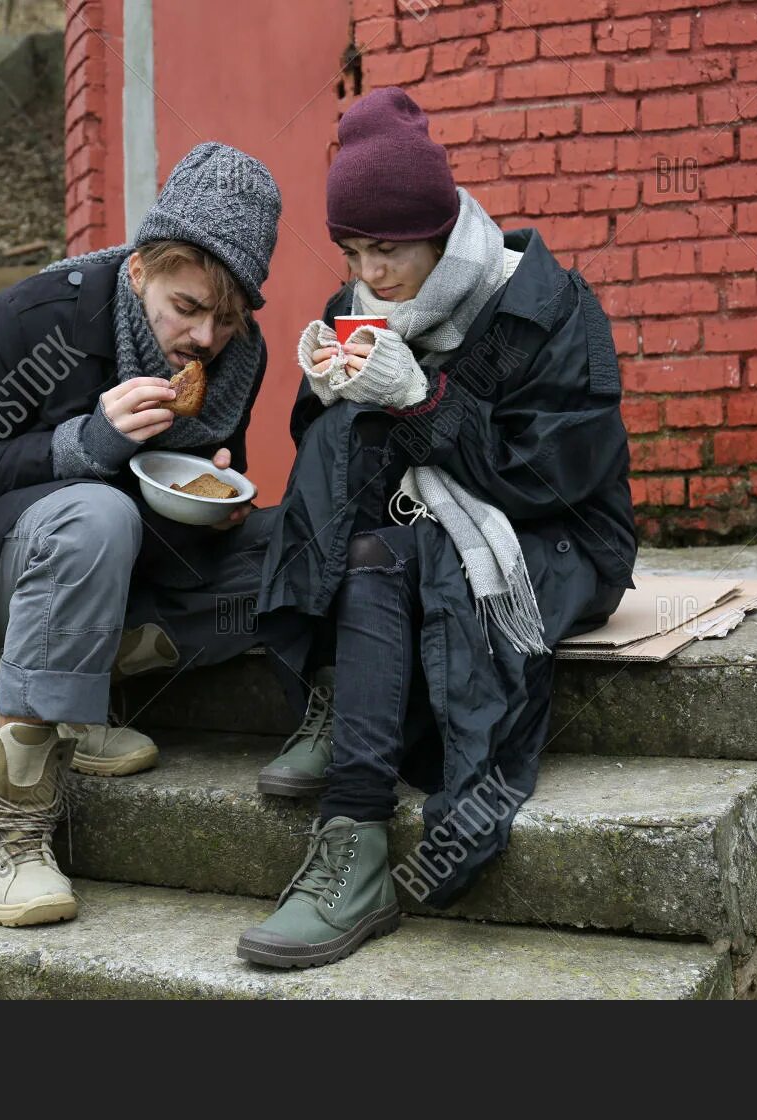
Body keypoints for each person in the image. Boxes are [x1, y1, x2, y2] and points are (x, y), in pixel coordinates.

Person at [239, 89, 638, 968]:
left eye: (388, 249)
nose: (370, 273)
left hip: (562, 540)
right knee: (344, 485)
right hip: (425, 523)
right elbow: (331, 469)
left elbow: (553, 478)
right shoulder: (364, 305)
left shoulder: (548, 304)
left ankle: (356, 821)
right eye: (352, 251)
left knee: (403, 557)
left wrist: (421, 397)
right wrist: (329, 391)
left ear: (442, 227)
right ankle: (346, 742)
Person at [0, 142, 283, 927]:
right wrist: (86, 443)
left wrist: (221, 498)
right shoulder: (43, 317)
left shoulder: (238, 358)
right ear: (141, 269)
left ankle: (82, 690)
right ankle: (3, 829)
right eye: (188, 308)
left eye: (226, 316)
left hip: (128, 565)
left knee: (298, 547)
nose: (207, 338)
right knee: (96, 509)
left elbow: (198, 487)